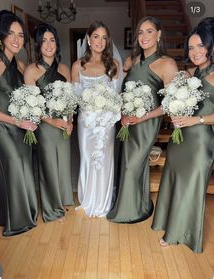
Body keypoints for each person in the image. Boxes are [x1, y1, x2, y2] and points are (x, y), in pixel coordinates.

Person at [107, 16, 178, 223]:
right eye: (140, 32)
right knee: (125, 161)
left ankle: (131, 211)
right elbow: (123, 90)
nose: (144, 36)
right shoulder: (133, 61)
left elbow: (169, 104)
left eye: (149, 31)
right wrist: (122, 113)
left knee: (133, 164)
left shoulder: (167, 64)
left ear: (159, 34)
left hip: (147, 123)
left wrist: (143, 116)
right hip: (128, 122)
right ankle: (138, 203)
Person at [151, 22, 214, 253]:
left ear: (210, 47)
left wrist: (195, 120)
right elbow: (174, 103)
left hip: (200, 141)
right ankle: (169, 223)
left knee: (191, 187)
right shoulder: (188, 74)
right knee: (174, 180)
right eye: (190, 48)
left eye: (200, 46)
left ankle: (179, 233)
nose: (195, 52)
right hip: (180, 139)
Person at [0, 10, 38, 236]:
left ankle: (21, 213)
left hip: (22, 128)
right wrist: (16, 120)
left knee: (24, 168)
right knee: (13, 169)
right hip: (4, 129)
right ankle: (17, 221)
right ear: (1, 36)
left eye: (21, 35)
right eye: (11, 34)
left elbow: (31, 91)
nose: (16, 39)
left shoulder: (20, 64)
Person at [24, 23, 74, 222]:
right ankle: (52, 210)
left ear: (57, 43)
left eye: (52, 40)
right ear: (38, 45)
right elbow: (32, 106)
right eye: (44, 41)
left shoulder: (64, 68)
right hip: (45, 127)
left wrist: (70, 121)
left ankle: (61, 202)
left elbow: (70, 99)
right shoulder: (31, 70)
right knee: (48, 167)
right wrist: (52, 121)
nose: (48, 44)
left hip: (63, 126)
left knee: (63, 165)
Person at [71, 20, 120, 217]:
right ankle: (88, 198)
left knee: (105, 159)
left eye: (104, 37)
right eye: (96, 36)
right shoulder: (78, 66)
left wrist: (105, 114)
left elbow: (115, 97)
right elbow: (75, 98)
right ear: (88, 40)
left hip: (106, 123)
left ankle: (104, 201)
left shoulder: (113, 65)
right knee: (87, 158)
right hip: (86, 122)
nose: (100, 41)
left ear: (108, 42)